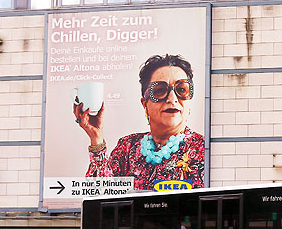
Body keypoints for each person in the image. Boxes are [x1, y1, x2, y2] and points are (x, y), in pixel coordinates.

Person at [75, 54, 205, 190]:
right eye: (160, 90)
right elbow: (100, 196)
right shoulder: (127, 148)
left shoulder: (203, 151)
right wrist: (96, 139)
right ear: (145, 103)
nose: (172, 99)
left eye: (181, 89)